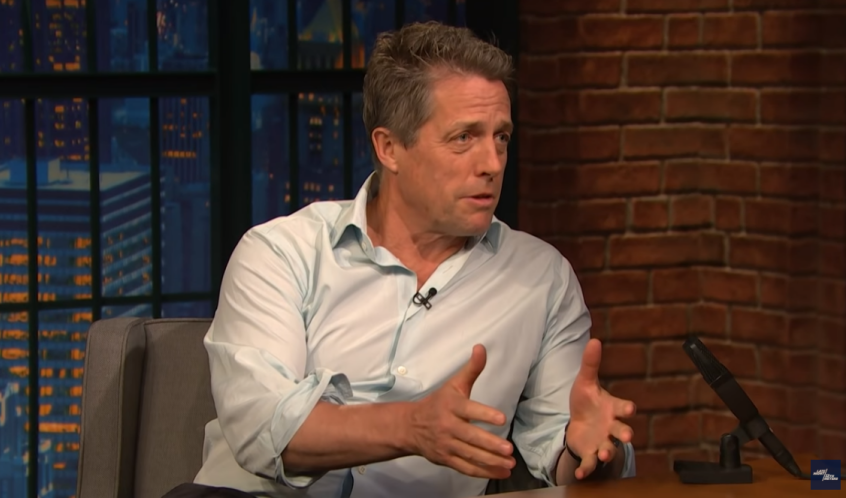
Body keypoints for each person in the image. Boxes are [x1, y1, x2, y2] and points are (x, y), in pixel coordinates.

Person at [164, 21, 638, 498]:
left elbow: (564, 451)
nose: (492, 163)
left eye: (501, 137)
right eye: (464, 138)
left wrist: (593, 453)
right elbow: (265, 428)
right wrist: (412, 427)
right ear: (389, 148)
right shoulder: (282, 253)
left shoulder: (542, 279)